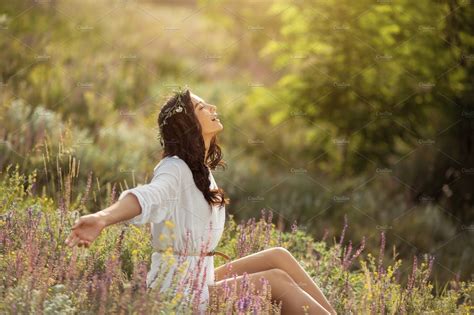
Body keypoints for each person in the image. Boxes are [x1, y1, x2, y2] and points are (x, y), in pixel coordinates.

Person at [65, 88, 336, 315]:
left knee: (278, 256)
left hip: (199, 276)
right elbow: (149, 195)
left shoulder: (200, 170)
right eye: (201, 107)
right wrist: (102, 217)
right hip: (179, 293)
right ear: (188, 124)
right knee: (276, 281)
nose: (212, 107)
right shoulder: (175, 168)